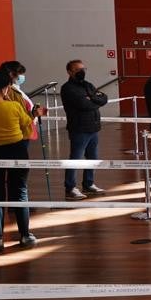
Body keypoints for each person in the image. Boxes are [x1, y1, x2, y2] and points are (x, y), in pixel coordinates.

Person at [0, 69, 38, 253]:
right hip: (16, 151)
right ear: (5, 88)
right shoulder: (14, 106)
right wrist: (35, 114)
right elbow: (27, 126)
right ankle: (25, 235)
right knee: (19, 192)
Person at [59, 59, 108, 199]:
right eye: (78, 69)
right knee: (75, 158)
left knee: (92, 157)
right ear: (69, 72)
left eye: (83, 69)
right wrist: (94, 101)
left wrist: (91, 98)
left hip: (93, 128)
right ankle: (70, 188)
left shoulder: (88, 85)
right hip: (79, 128)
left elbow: (103, 98)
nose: (82, 72)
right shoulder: (68, 88)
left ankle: (88, 183)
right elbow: (83, 105)